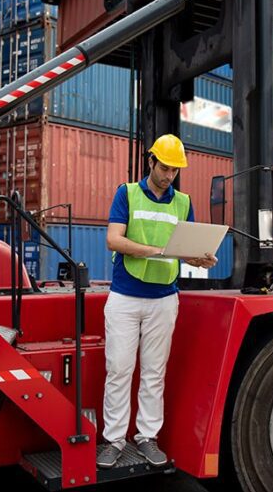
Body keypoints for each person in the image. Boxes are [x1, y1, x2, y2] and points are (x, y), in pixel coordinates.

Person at [97, 134, 217, 469]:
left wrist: (199, 259)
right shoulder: (128, 193)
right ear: (151, 161)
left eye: (175, 170)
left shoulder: (183, 202)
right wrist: (154, 251)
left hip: (164, 299)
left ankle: (147, 437)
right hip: (125, 297)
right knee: (119, 369)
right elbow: (113, 239)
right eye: (164, 167)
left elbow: (184, 249)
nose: (169, 175)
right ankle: (113, 440)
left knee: (154, 372)